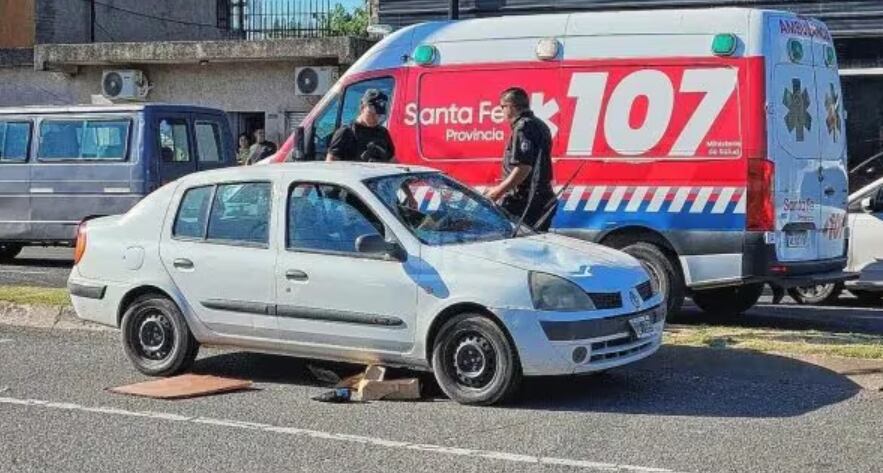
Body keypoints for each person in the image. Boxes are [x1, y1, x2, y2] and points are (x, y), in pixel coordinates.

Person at [484, 87, 557, 231]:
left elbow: (523, 167)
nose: (502, 111)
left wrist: (497, 192)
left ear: (510, 106)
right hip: (541, 197)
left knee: (514, 244)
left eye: (502, 107)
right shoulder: (540, 124)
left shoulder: (522, 127)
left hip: (525, 200)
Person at [326, 89, 395, 163]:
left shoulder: (383, 133)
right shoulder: (346, 133)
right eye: (372, 113)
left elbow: (392, 161)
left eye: (380, 115)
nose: (376, 118)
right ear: (362, 108)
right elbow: (331, 165)